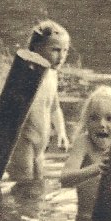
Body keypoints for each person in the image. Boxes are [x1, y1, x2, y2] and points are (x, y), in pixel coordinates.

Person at [7, 19, 70, 182]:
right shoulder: (28, 74)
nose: (61, 56)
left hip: (41, 142)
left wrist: (61, 132)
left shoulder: (52, 75)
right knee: (24, 181)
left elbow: (55, 107)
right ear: (36, 47)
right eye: (55, 50)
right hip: (24, 140)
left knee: (38, 181)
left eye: (65, 51)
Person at [59, 85, 111, 221]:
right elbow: (64, 179)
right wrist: (96, 168)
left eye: (109, 118)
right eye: (94, 118)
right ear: (86, 121)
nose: (101, 124)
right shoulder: (84, 143)